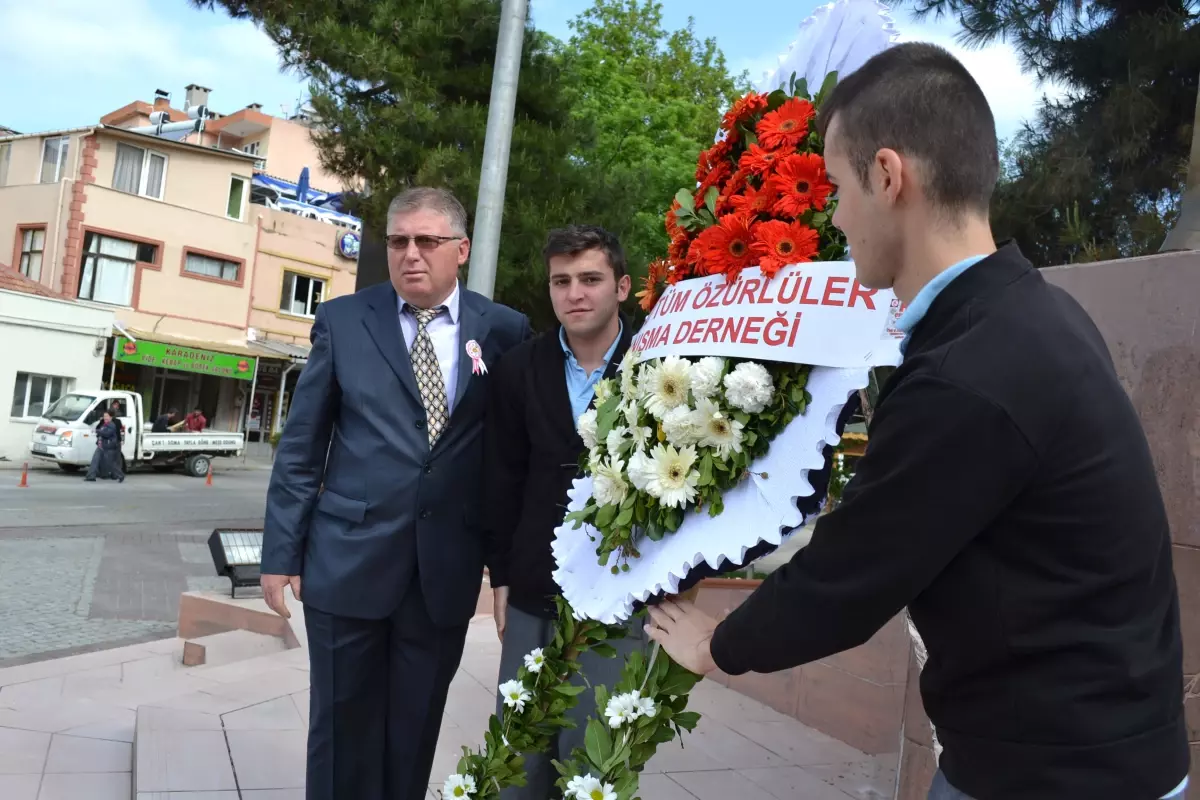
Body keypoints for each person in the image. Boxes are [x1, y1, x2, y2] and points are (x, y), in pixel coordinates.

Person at [644, 43, 1189, 800]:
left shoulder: (972, 370)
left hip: (1054, 774)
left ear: (889, 177)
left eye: (836, 187)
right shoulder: (1030, 316)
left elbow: (853, 575)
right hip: (1085, 751)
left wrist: (716, 645)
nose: (834, 215)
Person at [261, 187, 532, 800]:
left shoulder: (505, 331)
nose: (411, 254)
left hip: (443, 572)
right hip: (345, 561)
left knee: (412, 736)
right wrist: (280, 555)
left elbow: (507, 460)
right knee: (340, 733)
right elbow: (302, 446)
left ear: (460, 249)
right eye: (399, 241)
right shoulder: (344, 320)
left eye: (428, 241)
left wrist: (505, 564)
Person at [484, 225, 642, 799]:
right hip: (532, 587)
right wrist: (500, 573)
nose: (575, 293)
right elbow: (501, 479)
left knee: (596, 762)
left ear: (621, 286)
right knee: (517, 759)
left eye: (591, 279)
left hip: (622, 591)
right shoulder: (517, 370)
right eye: (562, 281)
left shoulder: (661, 367)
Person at [95, 411, 124, 483]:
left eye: (106, 416)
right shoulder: (105, 423)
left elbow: (107, 433)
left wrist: (97, 431)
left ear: (111, 417)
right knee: (110, 462)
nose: (105, 417)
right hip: (107, 445)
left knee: (111, 462)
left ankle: (120, 475)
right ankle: (115, 475)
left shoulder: (111, 424)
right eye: (104, 416)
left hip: (110, 445)